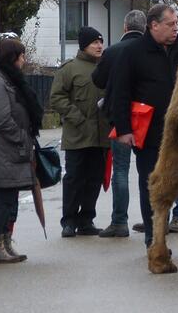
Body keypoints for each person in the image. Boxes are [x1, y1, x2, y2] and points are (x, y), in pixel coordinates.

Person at [109, 4, 178, 251]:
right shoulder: (133, 52)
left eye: (176, 24)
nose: (175, 29)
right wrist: (124, 129)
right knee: (152, 185)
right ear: (154, 25)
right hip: (149, 134)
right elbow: (119, 92)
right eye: (170, 24)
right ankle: (154, 238)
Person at [0, 39, 42, 263]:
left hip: (13, 150)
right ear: (11, 57)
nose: (24, 60)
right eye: (21, 56)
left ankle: (5, 242)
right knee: (5, 198)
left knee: (11, 198)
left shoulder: (10, 79)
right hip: (4, 149)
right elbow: (1, 118)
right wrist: (22, 138)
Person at [90, 10, 146, 238]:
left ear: (125, 28)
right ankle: (154, 217)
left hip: (120, 119)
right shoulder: (151, 51)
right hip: (147, 118)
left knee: (121, 170)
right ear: (146, 28)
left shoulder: (112, 52)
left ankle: (119, 221)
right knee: (150, 170)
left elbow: (98, 79)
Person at [50, 27, 110, 237]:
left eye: (101, 42)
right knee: (74, 178)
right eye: (95, 42)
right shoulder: (70, 69)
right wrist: (76, 117)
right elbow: (57, 97)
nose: (99, 46)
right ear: (84, 45)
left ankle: (86, 220)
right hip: (77, 135)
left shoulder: (105, 67)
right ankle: (68, 221)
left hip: (101, 136)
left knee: (94, 179)